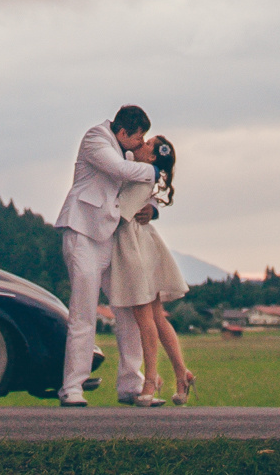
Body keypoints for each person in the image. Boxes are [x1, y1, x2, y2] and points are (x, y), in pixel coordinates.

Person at [54, 105, 157, 406]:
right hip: (82, 232)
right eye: (139, 138)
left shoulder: (124, 150)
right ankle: (72, 387)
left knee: (127, 309)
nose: (141, 144)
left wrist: (154, 209)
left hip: (110, 237)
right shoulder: (95, 139)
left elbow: (135, 189)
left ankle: (130, 384)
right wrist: (155, 168)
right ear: (123, 132)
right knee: (83, 312)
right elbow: (122, 172)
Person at [110, 136, 194, 405]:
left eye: (148, 143)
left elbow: (120, 210)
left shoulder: (143, 173)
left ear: (153, 156)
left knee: (144, 316)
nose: (142, 143)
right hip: (142, 242)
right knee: (156, 316)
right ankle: (181, 373)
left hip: (135, 245)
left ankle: (150, 380)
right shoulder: (137, 166)